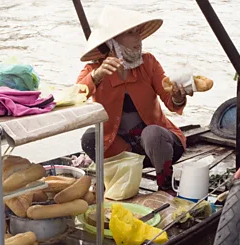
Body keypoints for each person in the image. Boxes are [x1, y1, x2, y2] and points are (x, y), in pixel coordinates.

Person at [76, 6, 188, 193]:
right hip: (124, 150)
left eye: (138, 33)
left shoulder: (149, 63)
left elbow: (170, 100)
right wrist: (97, 76)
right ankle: (113, 176)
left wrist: (177, 96)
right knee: (89, 137)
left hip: (159, 146)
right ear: (112, 42)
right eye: (130, 33)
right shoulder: (93, 70)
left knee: (152, 133)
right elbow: (75, 97)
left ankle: (165, 186)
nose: (138, 39)